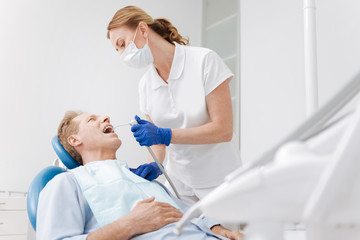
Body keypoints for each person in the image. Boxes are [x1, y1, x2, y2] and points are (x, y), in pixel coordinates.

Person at [107, 5, 241, 207]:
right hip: (179, 184)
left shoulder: (204, 61)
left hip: (219, 182)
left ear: (143, 30)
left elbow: (223, 130)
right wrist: (156, 164)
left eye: (122, 44)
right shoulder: (146, 84)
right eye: (117, 50)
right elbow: (157, 140)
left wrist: (166, 135)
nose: (122, 55)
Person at [36, 111, 243, 240]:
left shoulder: (148, 184)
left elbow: (192, 215)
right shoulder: (66, 183)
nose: (106, 117)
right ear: (74, 140)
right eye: (92, 119)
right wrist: (131, 224)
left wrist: (217, 228)